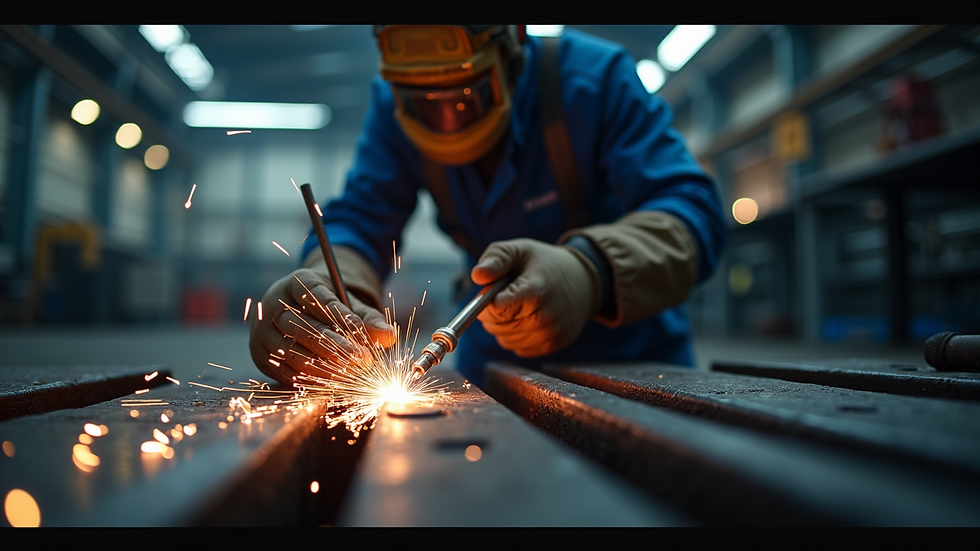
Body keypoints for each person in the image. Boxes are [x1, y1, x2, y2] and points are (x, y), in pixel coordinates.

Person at [249, 25, 726, 388]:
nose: (445, 122)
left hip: (634, 370)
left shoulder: (594, 81)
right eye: (423, 104)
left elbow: (693, 211)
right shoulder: (390, 103)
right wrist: (335, 291)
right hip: (494, 367)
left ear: (511, 43)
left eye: (463, 98)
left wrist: (589, 271)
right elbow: (360, 217)